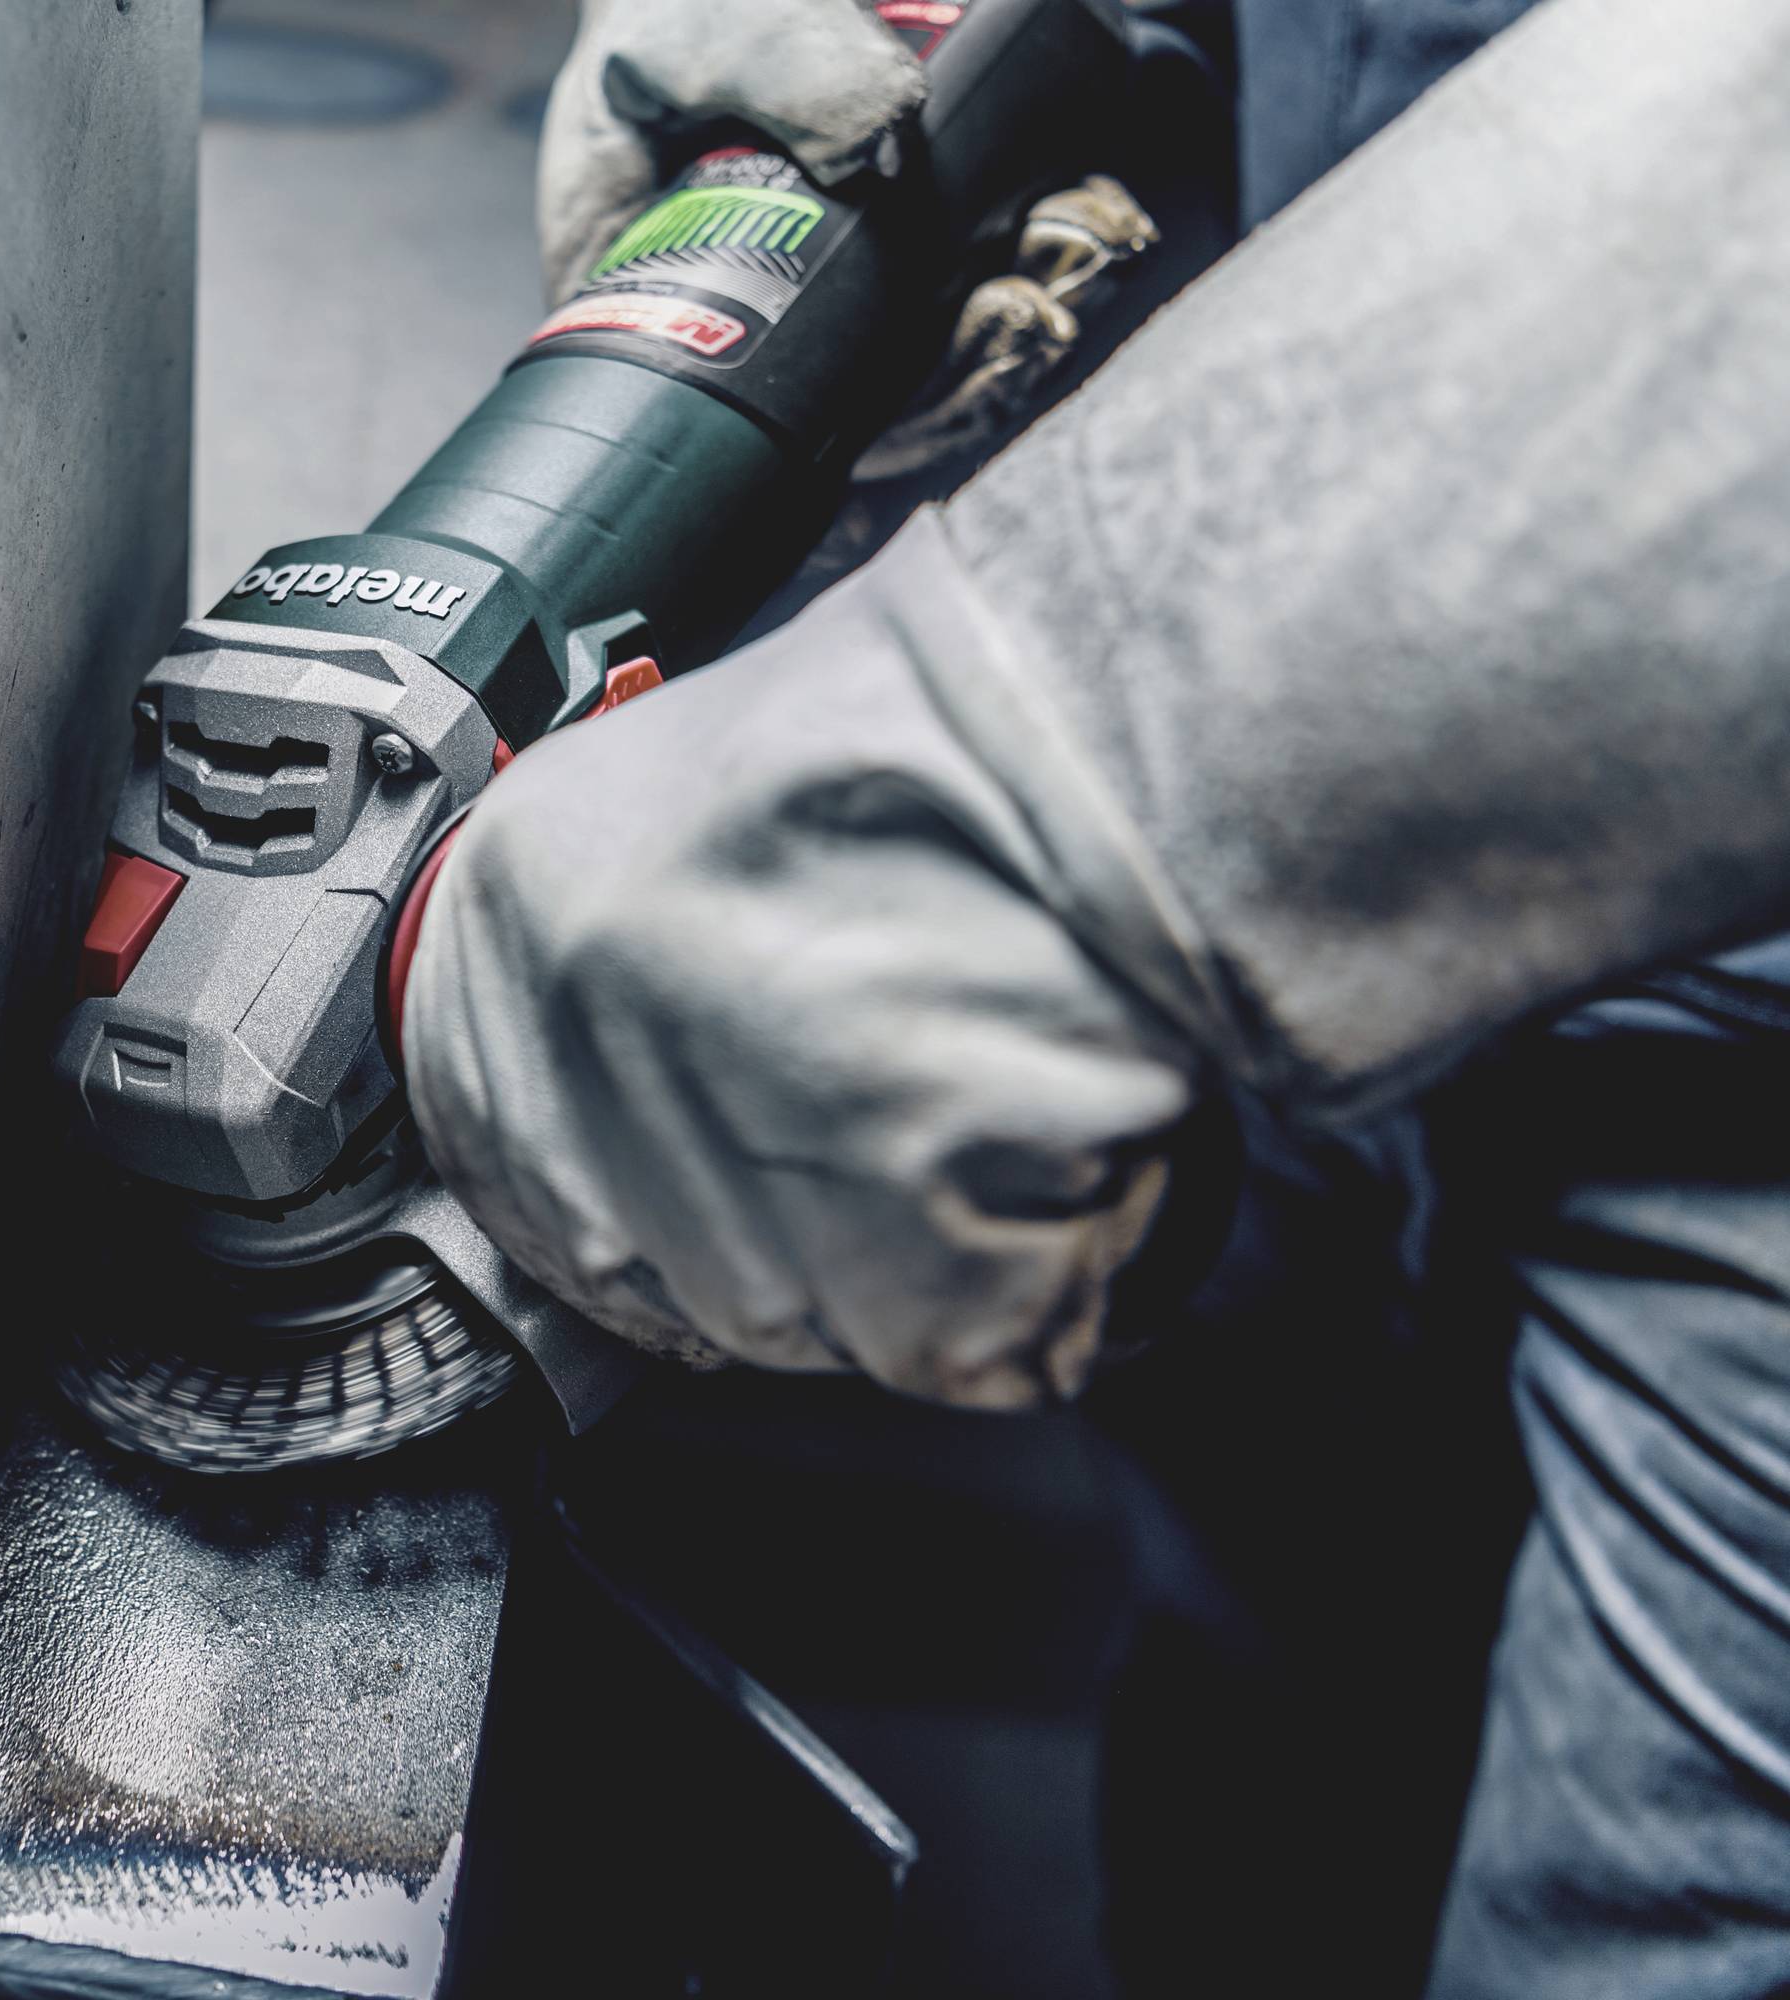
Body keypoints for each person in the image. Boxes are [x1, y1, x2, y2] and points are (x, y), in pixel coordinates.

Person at [409, 0, 1790, 1991]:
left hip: (1706, 1008)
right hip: (1284, 769)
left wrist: (1062, 732)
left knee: (1639, 1935)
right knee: (1266, 1767)